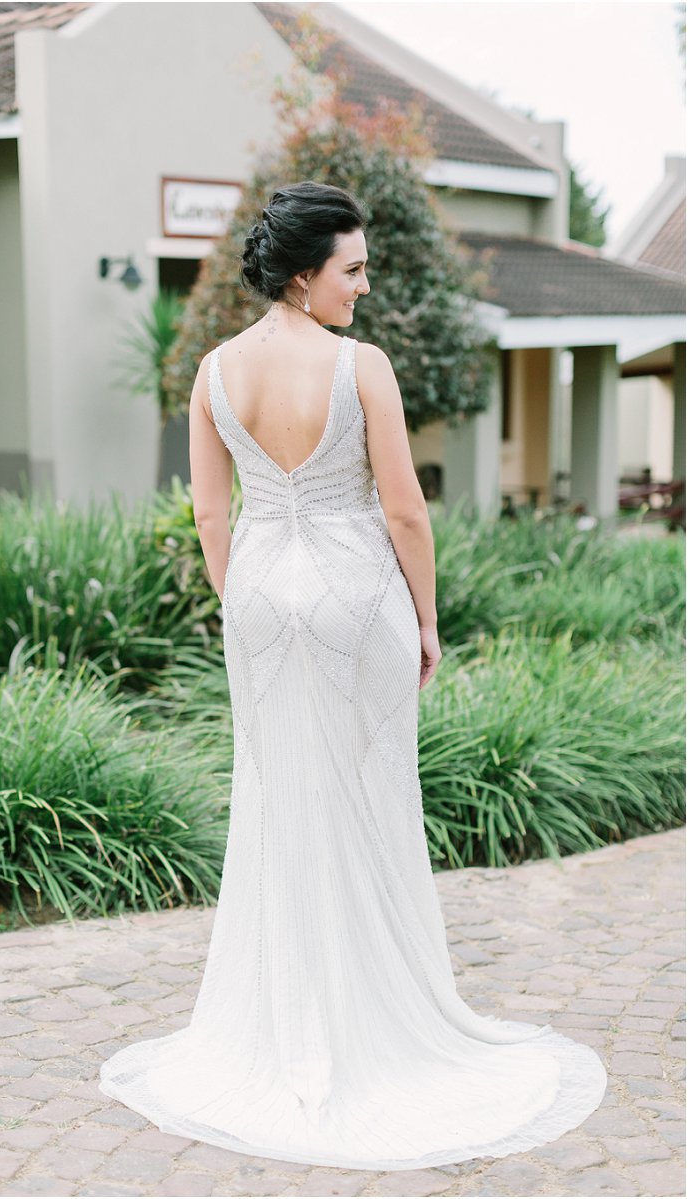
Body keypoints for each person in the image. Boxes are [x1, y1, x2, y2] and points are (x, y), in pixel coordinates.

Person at [99, 181, 608, 1171]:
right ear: (304, 274)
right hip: (354, 597)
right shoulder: (359, 365)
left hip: (258, 596)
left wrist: (246, 597)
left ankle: (281, 1018)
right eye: (354, 269)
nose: (364, 287)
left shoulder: (212, 370)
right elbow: (405, 509)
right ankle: (374, 1017)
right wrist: (427, 617)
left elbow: (209, 512)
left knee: (277, 798)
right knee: (370, 799)